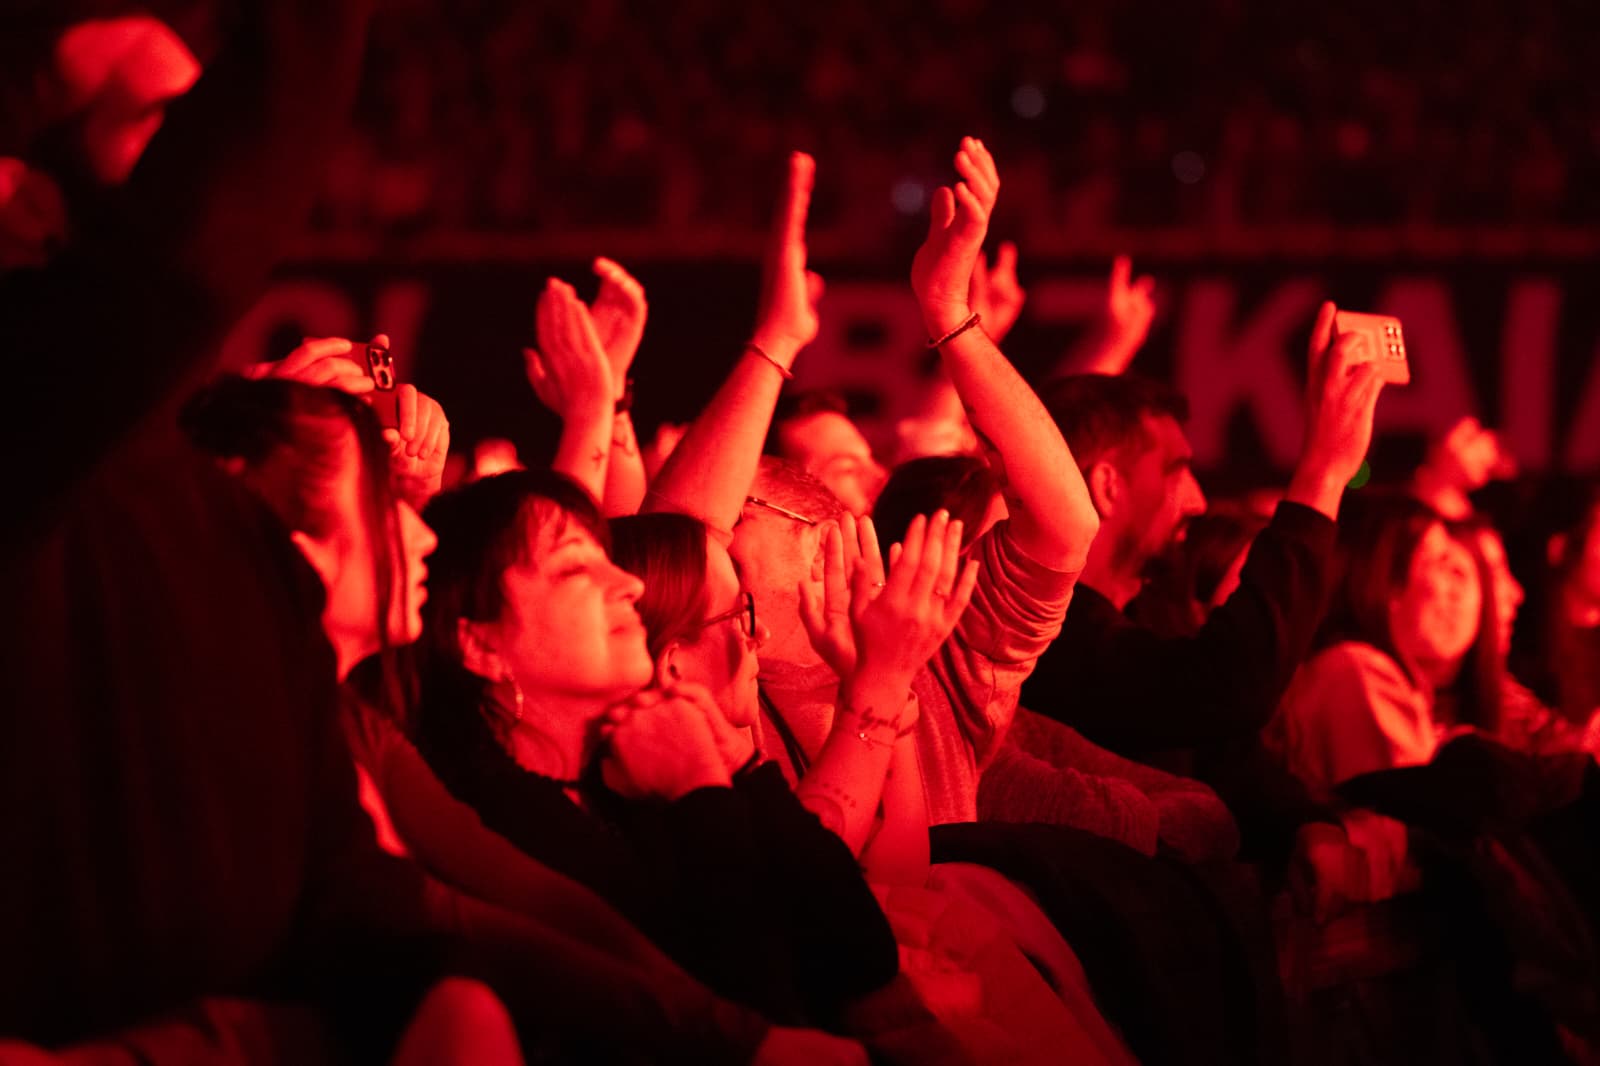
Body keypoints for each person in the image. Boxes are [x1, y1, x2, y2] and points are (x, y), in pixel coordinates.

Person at [412, 470, 911, 1058]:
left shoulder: (622, 776)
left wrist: (742, 766)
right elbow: (759, 1007)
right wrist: (703, 793)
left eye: (608, 560)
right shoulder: (488, 818)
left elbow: (862, 961)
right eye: (577, 568)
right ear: (480, 646)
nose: (625, 584)